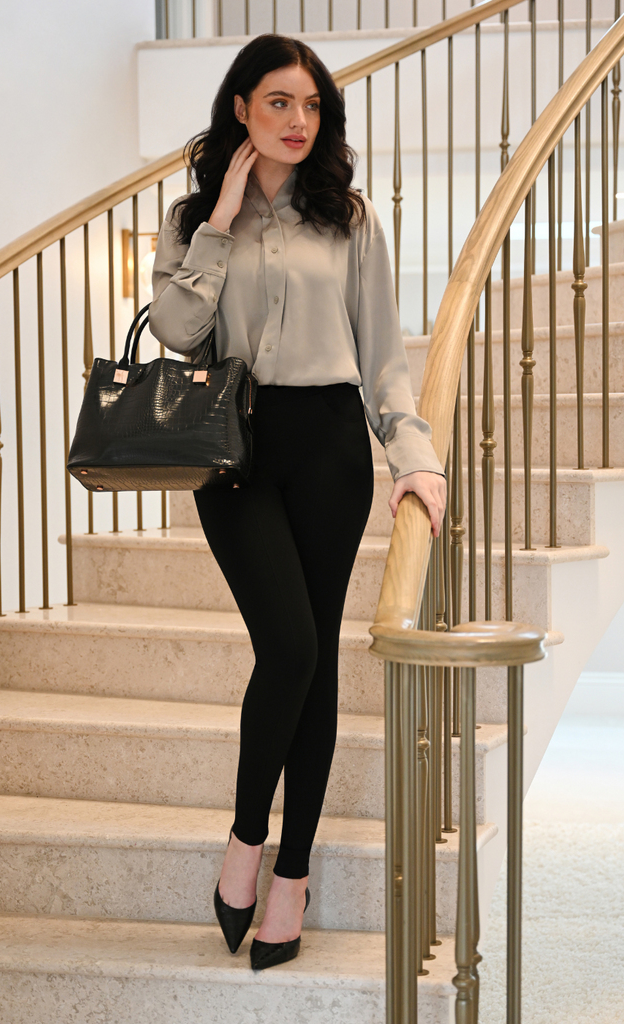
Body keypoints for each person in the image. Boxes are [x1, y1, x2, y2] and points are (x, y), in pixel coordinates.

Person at [148, 33, 446, 972]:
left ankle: (293, 876)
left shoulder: (346, 218)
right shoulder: (192, 218)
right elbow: (175, 329)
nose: (297, 122)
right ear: (240, 107)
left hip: (325, 450)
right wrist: (223, 217)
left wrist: (413, 454)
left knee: (313, 663)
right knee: (290, 647)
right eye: (278, 102)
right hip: (230, 448)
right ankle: (245, 837)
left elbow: (383, 355)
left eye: (312, 107)